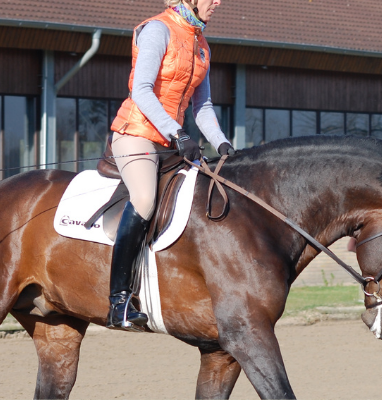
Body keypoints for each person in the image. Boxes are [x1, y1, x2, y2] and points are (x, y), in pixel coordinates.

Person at [106, 0, 233, 330]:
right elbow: (141, 90)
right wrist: (177, 132)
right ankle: (119, 301)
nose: (218, 1)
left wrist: (222, 143)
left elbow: (202, 106)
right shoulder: (157, 30)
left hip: (172, 141)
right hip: (136, 133)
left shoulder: (201, 44)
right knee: (145, 198)